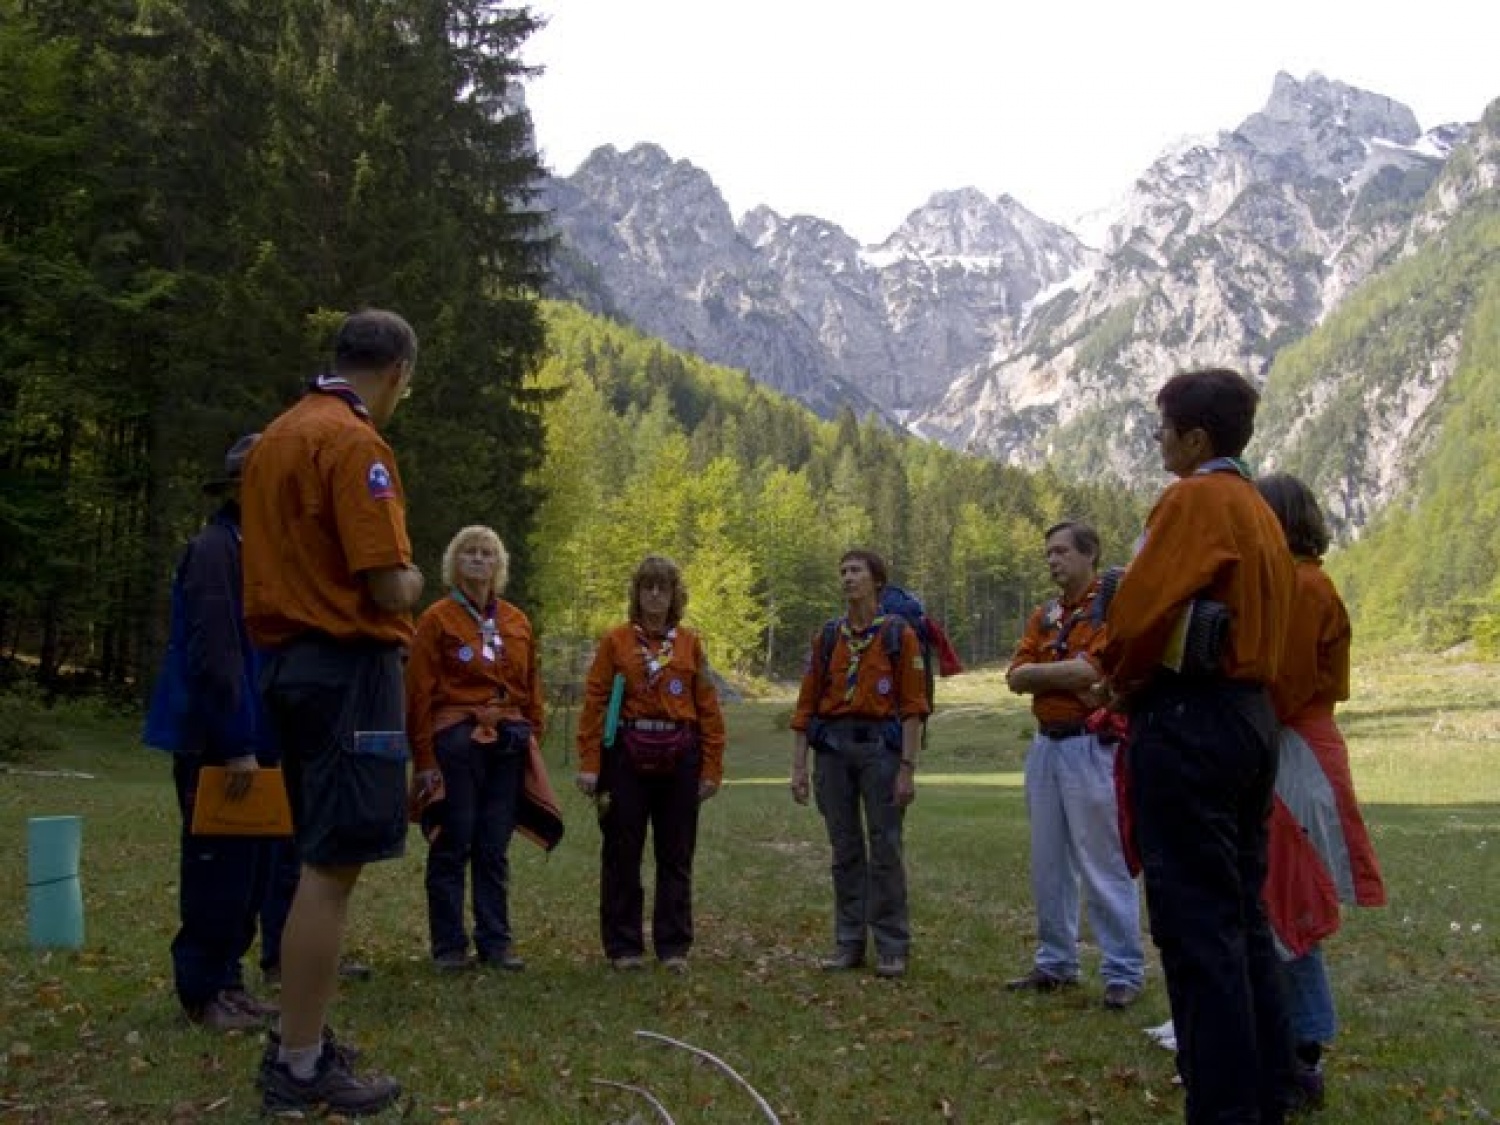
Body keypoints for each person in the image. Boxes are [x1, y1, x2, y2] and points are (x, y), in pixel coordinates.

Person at [1100, 368, 1296, 1124]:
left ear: (1196, 438)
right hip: (1252, 719)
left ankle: (1221, 1106)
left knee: (1195, 926)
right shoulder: (1260, 508)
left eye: (1163, 429)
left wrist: (1120, 675)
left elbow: (1138, 612)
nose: (1157, 441)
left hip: (1190, 719)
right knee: (1244, 915)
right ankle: (1270, 1086)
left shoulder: (1195, 499)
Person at [241, 309, 423, 1116]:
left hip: (286, 666)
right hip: (350, 670)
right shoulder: (356, 446)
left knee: (317, 851)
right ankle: (301, 1061)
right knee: (332, 862)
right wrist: (416, 582)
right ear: (396, 374)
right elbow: (386, 580)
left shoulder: (278, 435)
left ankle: (302, 1042)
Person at [1256, 473, 1386, 1111]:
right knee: (1277, 901)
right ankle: (1289, 1046)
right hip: (1292, 749)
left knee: (1288, 903)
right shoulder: (1296, 584)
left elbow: (1286, 683)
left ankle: (1303, 1052)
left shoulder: (1305, 587)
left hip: (1297, 755)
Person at [144, 434, 279, 1032]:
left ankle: (229, 979)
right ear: (238, 491)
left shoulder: (259, 550)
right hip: (218, 740)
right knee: (215, 868)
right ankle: (201, 989)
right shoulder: (213, 551)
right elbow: (216, 656)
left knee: (251, 870)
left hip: (256, 734)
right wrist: (237, 743)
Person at [406, 525, 562, 972]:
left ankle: (496, 943)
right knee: (455, 840)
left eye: (486, 553)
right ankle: (449, 947)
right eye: (469, 553)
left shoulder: (516, 620)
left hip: (508, 742)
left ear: (499, 565)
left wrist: (532, 734)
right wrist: (424, 759)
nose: (478, 559)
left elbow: (532, 685)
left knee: (494, 844)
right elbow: (417, 694)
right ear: (454, 564)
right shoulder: (436, 620)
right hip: (455, 741)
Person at [1004, 520, 1145, 1008]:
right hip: (1045, 745)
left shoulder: (1110, 608)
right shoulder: (1044, 615)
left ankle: (1123, 969)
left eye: (1062, 551)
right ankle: (1056, 962)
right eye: (1048, 553)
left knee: (1102, 860)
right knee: (1048, 861)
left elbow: (1094, 671)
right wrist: (1058, 677)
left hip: (1090, 745)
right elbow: (1014, 676)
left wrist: (1041, 676)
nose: (1052, 560)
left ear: (1090, 555)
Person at [575, 555, 725, 972]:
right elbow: (595, 703)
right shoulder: (616, 642)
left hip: (681, 753)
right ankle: (624, 946)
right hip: (626, 752)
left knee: (676, 852)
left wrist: (711, 768)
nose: (655, 595)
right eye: (648, 587)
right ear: (637, 594)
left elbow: (709, 709)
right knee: (622, 850)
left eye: (663, 588)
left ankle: (673, 946)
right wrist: (590, 763)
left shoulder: (690, 644)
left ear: (676, 595)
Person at [789, 549, 930, 979]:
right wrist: (799, 768)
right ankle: (848, 941)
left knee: (885, 846)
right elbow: (805, 707)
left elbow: (912, 707)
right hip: (832, 752)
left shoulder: (897, 636)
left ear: (877, 583)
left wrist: (907, 768)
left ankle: (892, 945)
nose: (848, 578)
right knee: (844, 849)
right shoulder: (829, 638)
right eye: (844, 571)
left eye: (857, 572)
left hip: (881, 754)